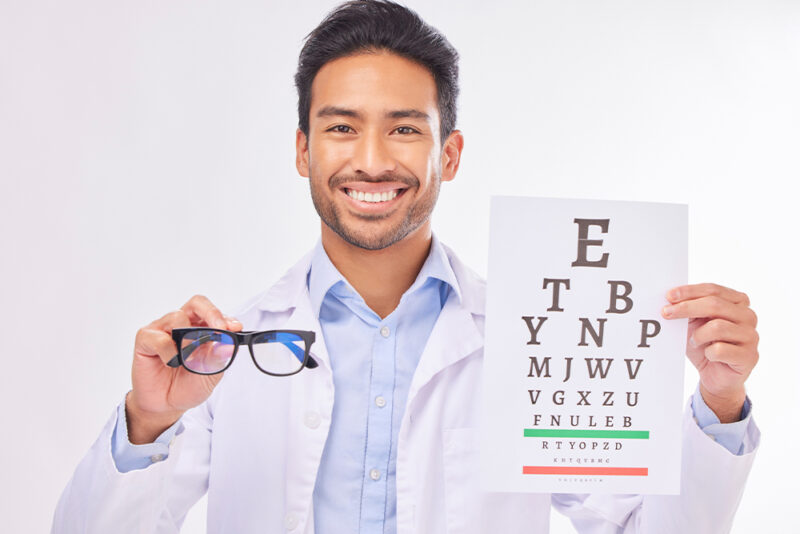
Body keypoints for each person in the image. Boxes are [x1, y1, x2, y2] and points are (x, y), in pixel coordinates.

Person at [52, 1, 760, 533]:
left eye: (403, 128)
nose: (371, 159)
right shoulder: (228, 353)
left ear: (447, 154)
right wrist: (147, 419)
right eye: (340, 126)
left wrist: (718, 404)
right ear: (303, 151)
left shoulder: (533, 339)